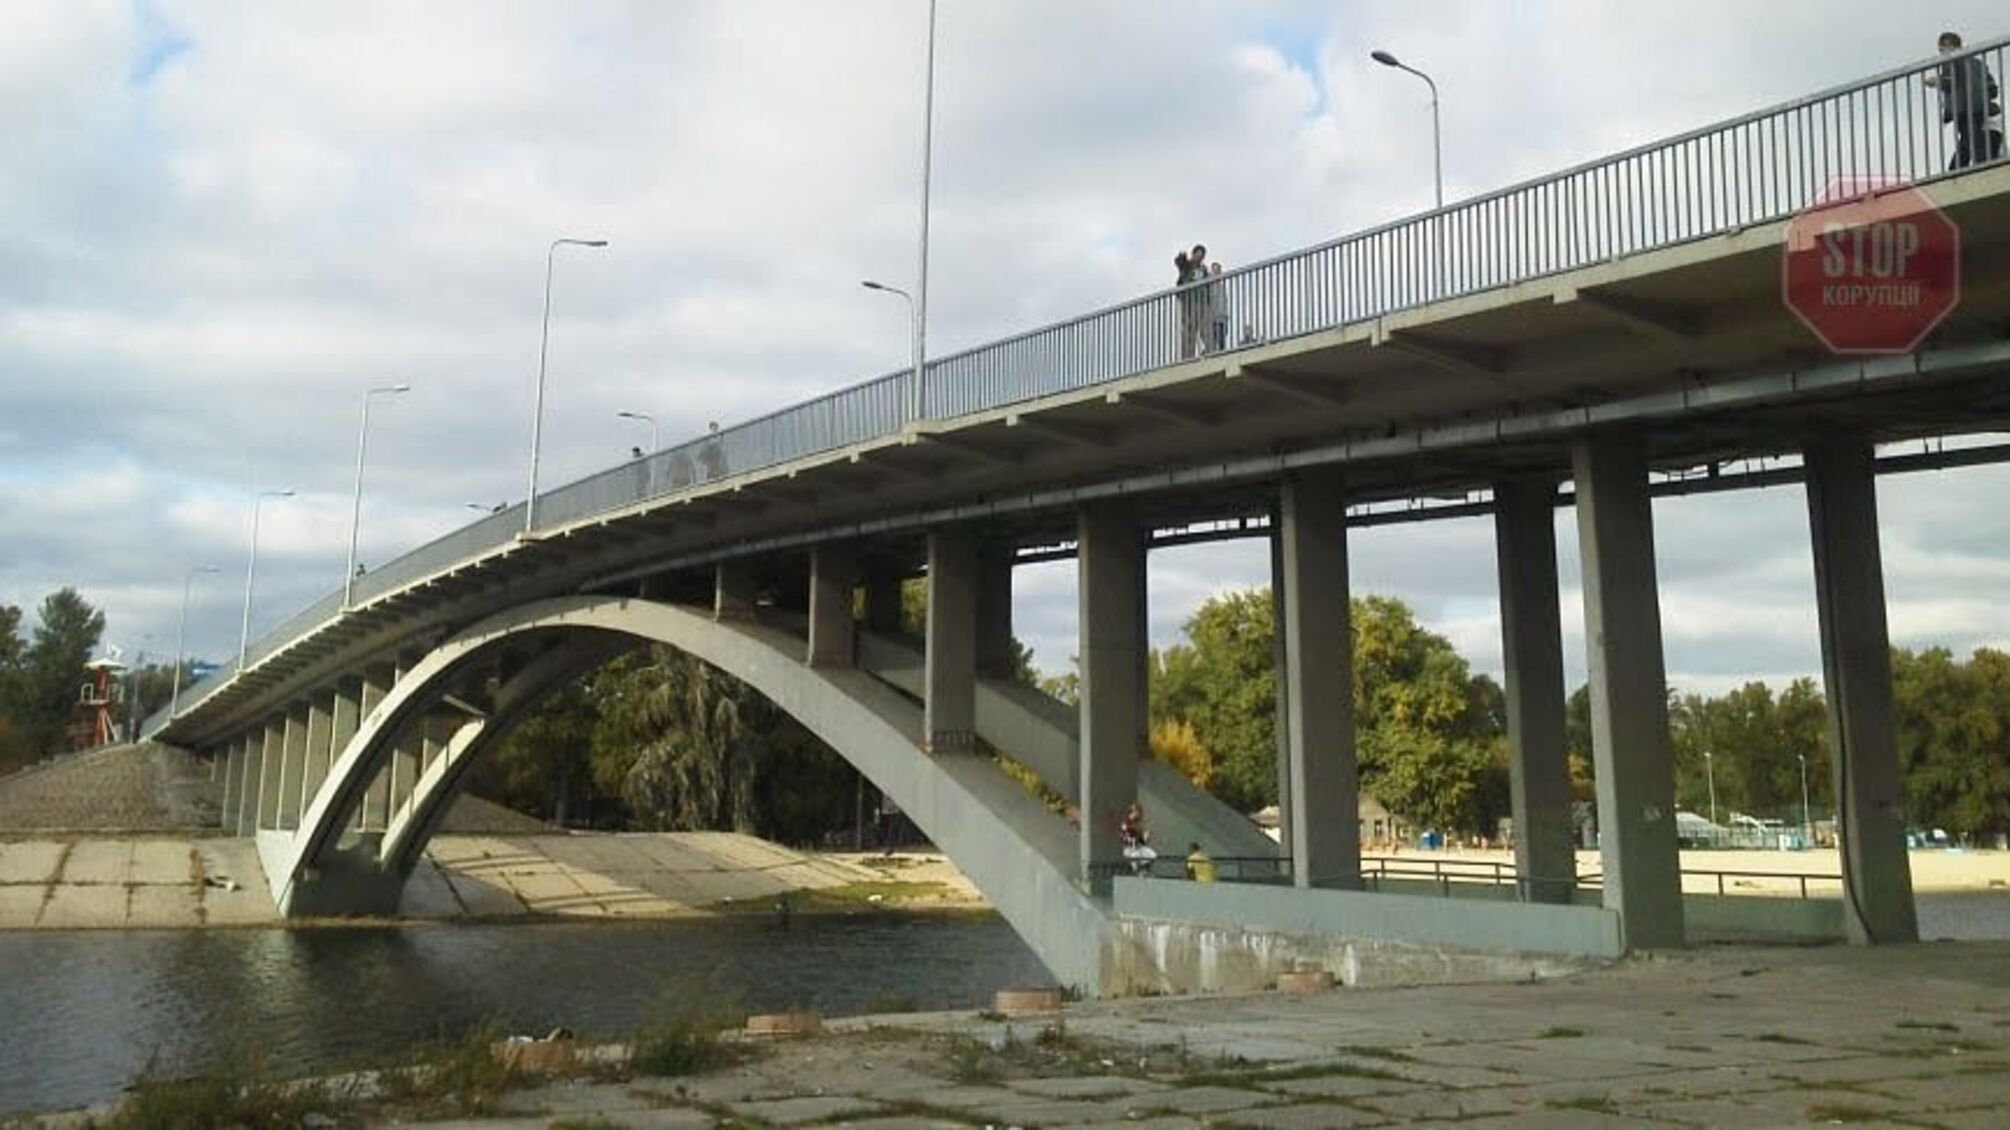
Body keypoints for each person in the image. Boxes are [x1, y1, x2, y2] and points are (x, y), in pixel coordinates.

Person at [1927, 32, 2003, 169]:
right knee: (1969, 142)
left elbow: (1950, 82)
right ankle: (1954, 171)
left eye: (1941, 49)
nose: (1940, 53)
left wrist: (1936, 81)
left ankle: (1984, 171)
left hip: (1963, 109)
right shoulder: (1977, 63)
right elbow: (1993, 90)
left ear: (1946, 46)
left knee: (1974, 145)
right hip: (1981, 109)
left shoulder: (1950, 60)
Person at [1172, 244, 1209, 359]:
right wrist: (1183, 258)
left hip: (1201, 301)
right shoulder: (1188, 266)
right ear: (1193, 254)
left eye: (1202, 256)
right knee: (1189, 330)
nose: (1200, 258)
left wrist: (1207, 300)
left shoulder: (1203, 269)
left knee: (1205, 328)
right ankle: (1188, 356)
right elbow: (1179, 264)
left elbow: (1206, 284)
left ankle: (1209, 351)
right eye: (1198, 255)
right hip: (1189, 301)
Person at [1119, 802, 1157, 875]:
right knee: (1135, 856)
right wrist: (1136, 833)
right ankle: (1135, 872)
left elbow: (1142, 842)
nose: (1138, 814)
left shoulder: (1138, 825)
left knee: (1152, 854)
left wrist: (1146, 836)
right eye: (1136, 811)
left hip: (1138, 848)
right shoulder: (1125, 823)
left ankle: (1144, 871)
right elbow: (1127, 837)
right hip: (1130, 849)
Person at [1205, 262, 1230, 353]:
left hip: (1222, 318)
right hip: (1213, 318)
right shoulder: (1209, 287)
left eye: (1219, 271)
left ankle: (1221, 354)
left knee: (1222, 342)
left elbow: (1225, 303)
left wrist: (1226, 317)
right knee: (1213, 341)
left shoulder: (1222, 288)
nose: (1217, 273)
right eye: (1215, 271)